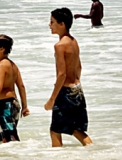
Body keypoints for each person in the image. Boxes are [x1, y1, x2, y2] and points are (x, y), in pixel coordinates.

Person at [44, 8, 93, 147]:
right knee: (76, 129)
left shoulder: (60, 45)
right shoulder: (73, 42)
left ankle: (57, 156)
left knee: (55, 130)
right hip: (77, 89)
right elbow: (79, 67)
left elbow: (61, 74)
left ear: (62, 24)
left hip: (65, 92)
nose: (49, 25)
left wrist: (52, 99)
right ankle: (94, 151)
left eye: (52, 22)